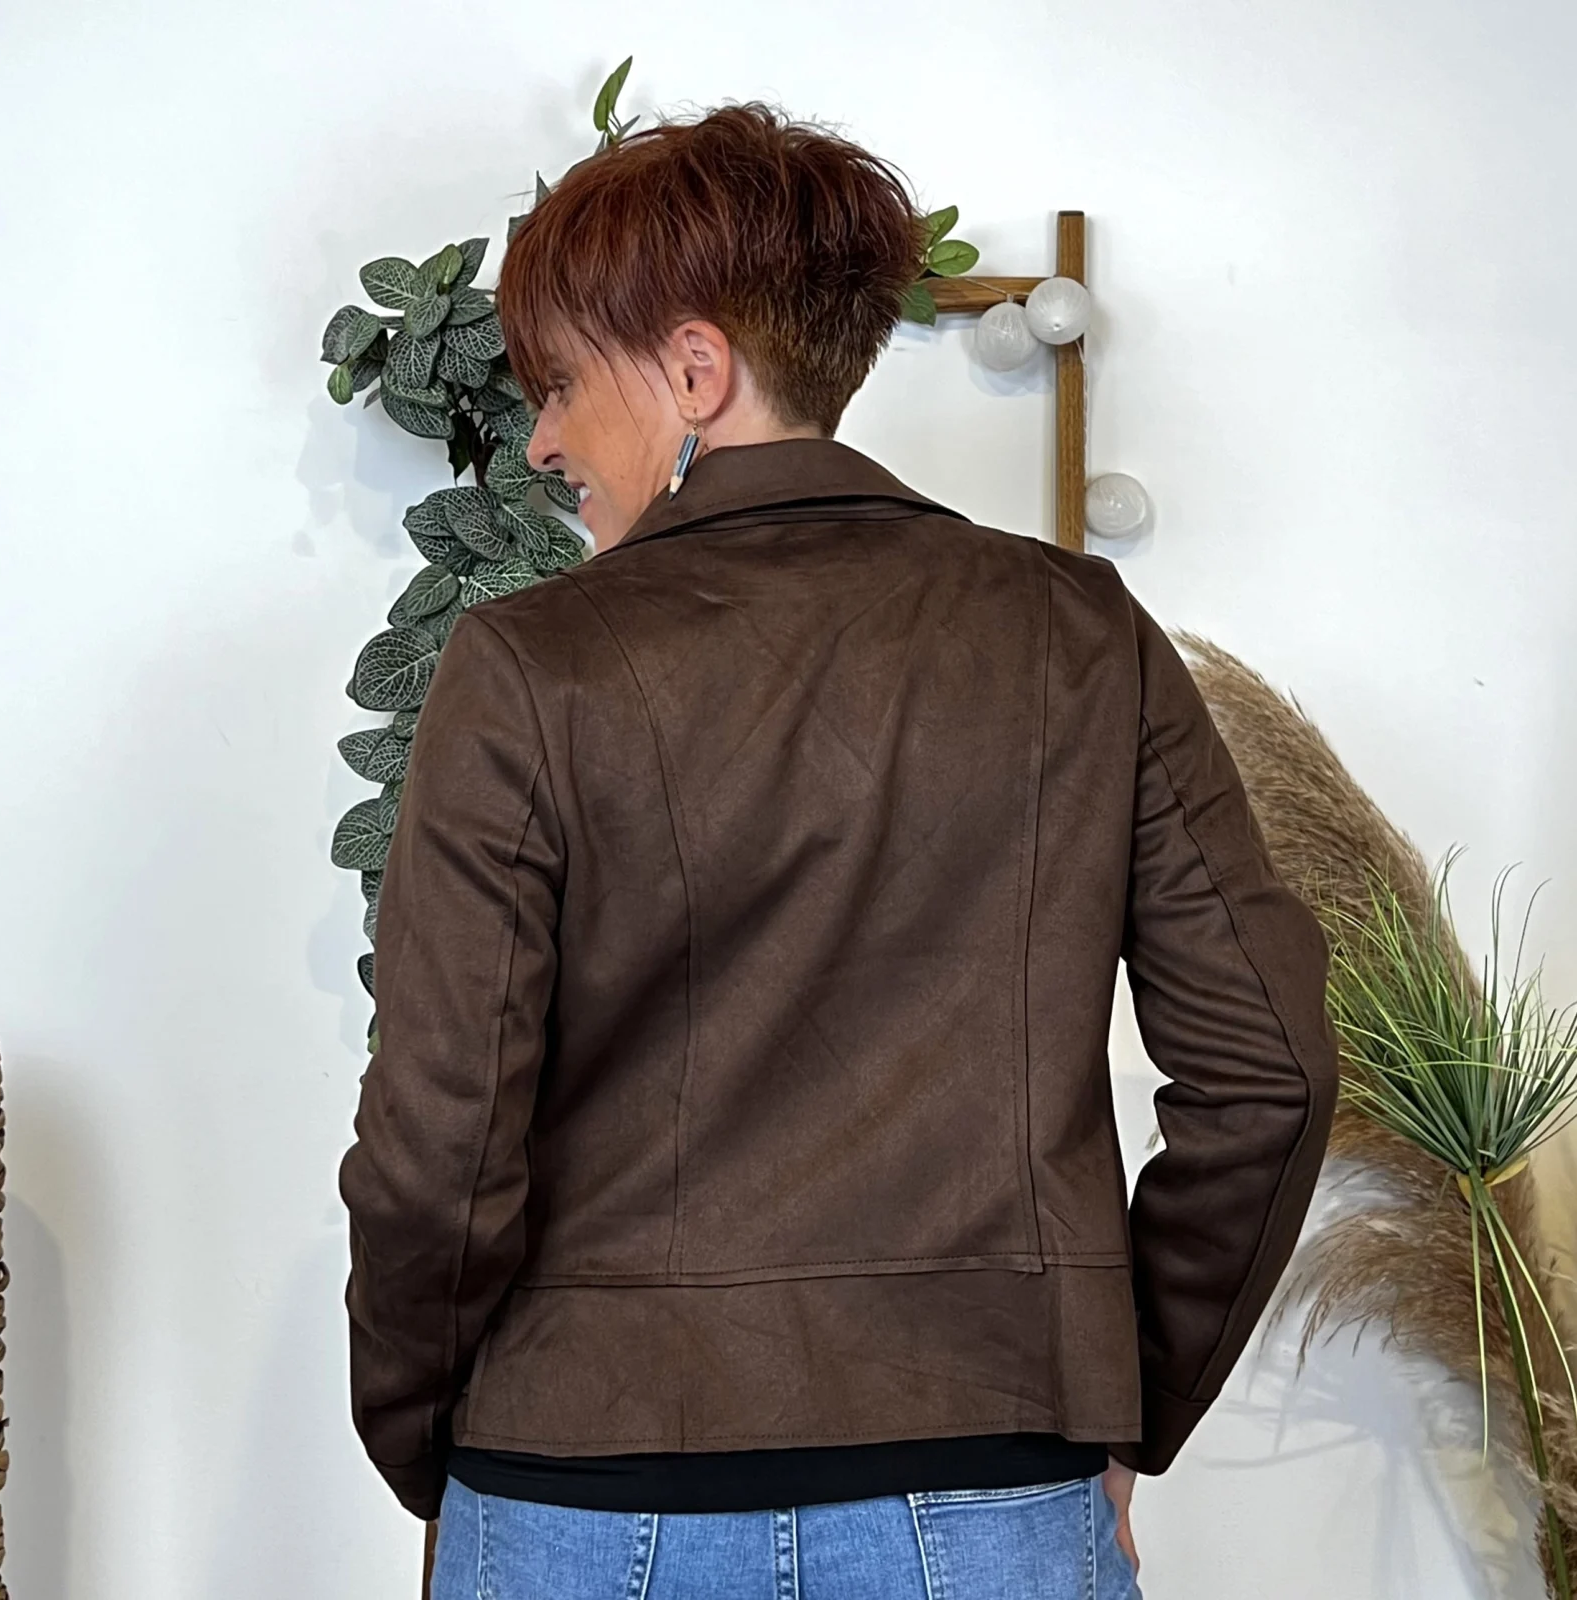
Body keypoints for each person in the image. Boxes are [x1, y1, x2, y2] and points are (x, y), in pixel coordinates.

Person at [338, 102, 1339, 1600]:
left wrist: (438, 1442)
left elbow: (441, 1142)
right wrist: (1102, 1398)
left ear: (696, 371)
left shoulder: (529, 666)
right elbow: (1272, 1073)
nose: (542, 438)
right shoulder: (1081, 638)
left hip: (581, 1493)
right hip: (989, 1487)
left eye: (561, 383)